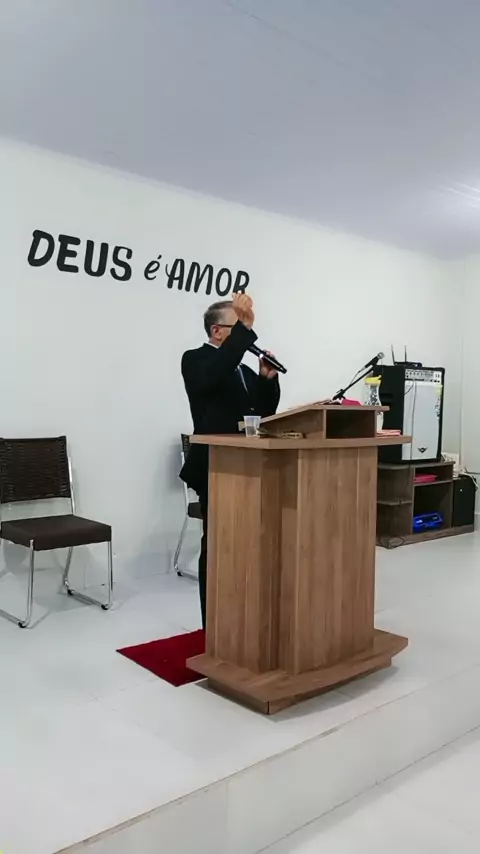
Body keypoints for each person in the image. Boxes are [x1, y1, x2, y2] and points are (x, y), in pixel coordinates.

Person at [180, 293, 281, 628]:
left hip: (251, 466)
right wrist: (244, 336)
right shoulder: (195, 360)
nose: (245, 337)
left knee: (248, 545)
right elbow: (212, 377)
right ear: (217, 331)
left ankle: (244, 617)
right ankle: (213, 624)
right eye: (237, 328)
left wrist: (267, 380)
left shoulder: (243, 370)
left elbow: (263, 413)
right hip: (216, 466)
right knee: (218, 544)